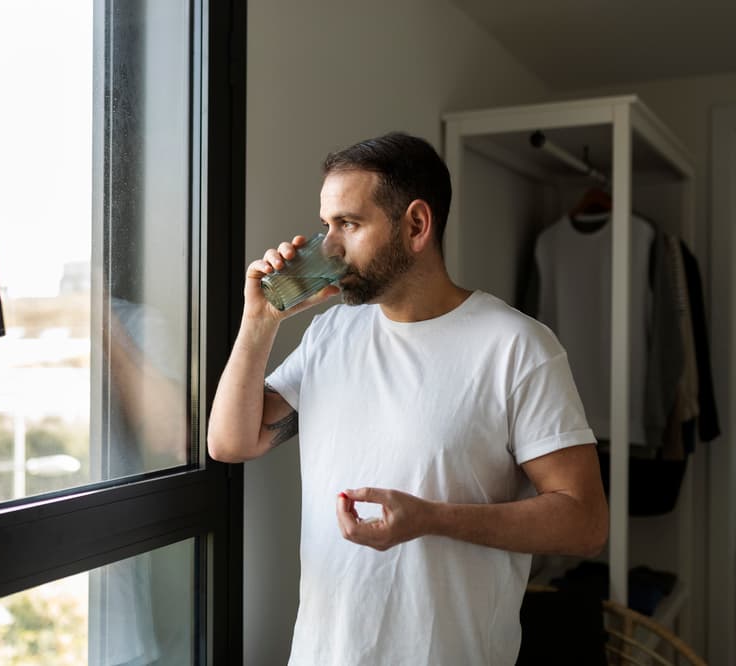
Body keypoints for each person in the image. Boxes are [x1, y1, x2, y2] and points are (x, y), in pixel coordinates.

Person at [206, 131, 609, 665]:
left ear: (417, 225)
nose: (328, 246)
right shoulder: (333, 333)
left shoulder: (516, 347)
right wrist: (258, 323)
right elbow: (231, 442)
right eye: (327, 224)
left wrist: (432, 519)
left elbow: (585, 524)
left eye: (348, 224)